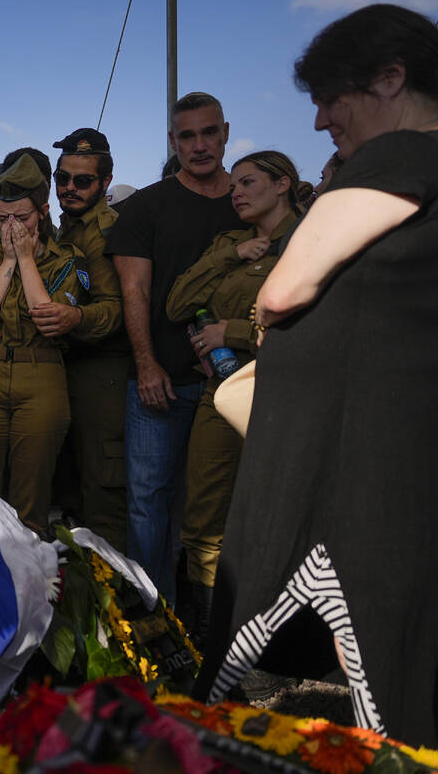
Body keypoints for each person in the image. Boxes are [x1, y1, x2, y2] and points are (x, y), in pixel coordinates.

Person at [197, 5, 438, 747]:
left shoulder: (405, 157)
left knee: (353, 628)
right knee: (378, 645)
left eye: (333, 98)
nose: (320, 122)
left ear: (391, 78)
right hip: (379, 447)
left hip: (336, 468)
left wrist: (266, 328)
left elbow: (283, 288)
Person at [104, 92, 245, 597]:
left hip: (240, 385)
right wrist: (146, 365)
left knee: (233, 504)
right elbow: (134, 290)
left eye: (209, 132)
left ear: (226, 132)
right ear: (173, 141)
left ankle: (224, 624)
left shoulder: (252, 201)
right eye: (188, 135)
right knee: (148, 503)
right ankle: (154, 620)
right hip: (161, 383)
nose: (200, 145)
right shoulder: (147, 206)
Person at [164, 150, 303, 642]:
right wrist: (229, 256)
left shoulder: (310, 240)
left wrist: (234, 332)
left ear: (283, 183)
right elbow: (178, 304)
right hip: (220, 395)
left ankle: (274, 643)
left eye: (247, 182)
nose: (236, 192)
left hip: (286, 397)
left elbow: (322, 320)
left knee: (277, 520)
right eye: (234, 186)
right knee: (202, 521)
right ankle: (214, 636)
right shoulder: (230, 244)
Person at [0, 155, 111, 531]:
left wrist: (26, 259)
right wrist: (9, 262)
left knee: (30, 505)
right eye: (2, 218)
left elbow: (47, 318)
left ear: (42, 213)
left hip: (40, 373)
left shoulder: (67, 260)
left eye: (21, 217)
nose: (11, 226)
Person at [51, 128, 128, 551]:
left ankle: (122, 601)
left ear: (103, 184)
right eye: (63, 179)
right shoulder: (65, 228)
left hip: (103, 375)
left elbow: (116, 310)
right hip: (68, 371)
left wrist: (75, 317)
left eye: (82, 181)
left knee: (104, 494)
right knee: (73, 492)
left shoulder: (108, 231)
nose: (69, 188)